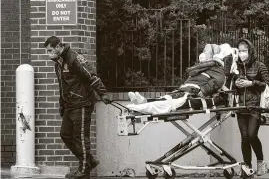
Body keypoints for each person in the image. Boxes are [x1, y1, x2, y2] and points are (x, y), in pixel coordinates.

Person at [44, 36, 111, 179]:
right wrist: (62, 105)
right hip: (70, 105)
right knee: (65, 134)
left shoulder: (74, 58)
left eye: (50, 50)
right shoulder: (59, 62)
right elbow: (63, 87)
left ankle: (84, 171)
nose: (48, 53)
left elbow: (90, 75)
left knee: (80, 138)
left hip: (82, 103)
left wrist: (102, 93)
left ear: (57, 47)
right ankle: (89, 161)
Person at [127, 43, 236, 114]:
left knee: (167, 103)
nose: (202, 53)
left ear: (213, 55)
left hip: (192, 95)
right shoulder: (205, 68)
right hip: (185, 92)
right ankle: (144, 102)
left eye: (205, 51)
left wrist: (203, 90)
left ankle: (141, 107)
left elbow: (219, 81)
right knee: (167, 98)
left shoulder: (216, 68)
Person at [233, 39, 269, 177]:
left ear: (250, 51)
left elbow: (267, 84)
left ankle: (260, 162)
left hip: (255, 106)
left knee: (252, 135)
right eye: (240, 50)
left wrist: (251, 83)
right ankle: (247, 167)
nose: (242, 53)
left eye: (244, 50)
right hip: (241, 106)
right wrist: (235, 83)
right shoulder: (235, 66)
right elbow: (229, 85)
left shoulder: (259, 66)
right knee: (244, 137)